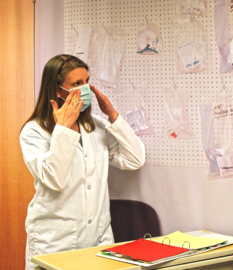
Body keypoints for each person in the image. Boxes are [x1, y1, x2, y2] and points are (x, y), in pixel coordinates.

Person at [20, 54, 146, 270]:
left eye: (87, 81)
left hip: (98, 239)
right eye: (77, 84)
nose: (86, 88)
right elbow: (55, 179)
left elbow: (134, 160)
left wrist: (113, 116)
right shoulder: (34, 131)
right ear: (58, 91)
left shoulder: (95, 126)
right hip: (55, 243)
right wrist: (62, 130)